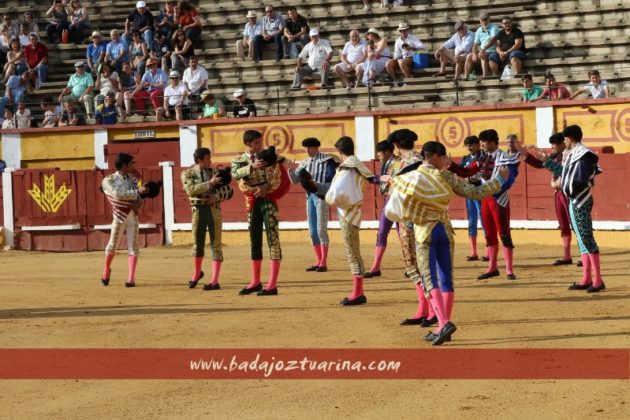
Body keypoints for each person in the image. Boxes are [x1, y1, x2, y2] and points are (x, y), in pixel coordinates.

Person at [385, 141, 509, 345]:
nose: (445, 161)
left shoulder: (410, 178)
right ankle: (443, 326)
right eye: (443, 157)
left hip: (424, 232)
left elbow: (394, 203)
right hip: (444, 230)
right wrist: (498, 180)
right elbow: (475, 192)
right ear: (435, 156)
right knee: (446, 279)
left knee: (429, 280)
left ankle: (444, 322)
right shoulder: (447, 177)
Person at [529, 125, 605, 292]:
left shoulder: (584, 154)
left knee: (586, 238)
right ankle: (586, 278)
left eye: (564, 139)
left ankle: (598, 280)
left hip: (580, 200)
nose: (563, 142)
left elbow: (580, 180)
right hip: (575, 200)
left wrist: (568, 189)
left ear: (569, 139)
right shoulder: (574, 154)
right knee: (582, 239)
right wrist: (545, 160)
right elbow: (565, 173)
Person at [448, 129, 520, 281]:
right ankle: (492, 267)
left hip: (499, 199)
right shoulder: (483, 158)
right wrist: (451, 166)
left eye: (484, 142)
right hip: (485, 198)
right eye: (481, 142)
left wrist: (496, 188)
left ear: (494, 142)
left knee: (504, 233)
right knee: (489, 233)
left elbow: (510, 179)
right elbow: (467, 172)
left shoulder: (505, 158)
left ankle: (509, 270)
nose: (482, 145)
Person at [231, 130, 287, 296]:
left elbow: (278, 174)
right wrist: (251, 167)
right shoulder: (239, 159)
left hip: (268, 200)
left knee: (273, 239)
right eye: (256, 143)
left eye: (260, 142)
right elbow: (235, 174)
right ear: (248, 144)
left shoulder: (269, 156)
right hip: (252, 202)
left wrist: (265, 188)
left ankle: (272, 284)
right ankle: (255, 281)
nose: (259, 146)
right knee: (254, 240)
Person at [325, 136, 374, 306]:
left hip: (347, 211)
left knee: (352, 251)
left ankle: (358, 292)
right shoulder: (357, 165)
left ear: (339, 151)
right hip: (354, 210)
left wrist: (326, 195)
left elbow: (335, 193)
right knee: (353, 250)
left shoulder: (347, 168)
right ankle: (358, 291)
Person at [181, 147, 234, 290]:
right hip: (198, 212)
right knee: (197, 245)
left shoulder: (215, 173)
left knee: (216, 245)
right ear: (200, 160)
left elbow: (230, 191)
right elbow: (190, 190)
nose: (210, 161)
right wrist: (210, 184)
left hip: (214, 211)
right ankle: (197, 273)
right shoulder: (188, 174)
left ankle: (214, 281)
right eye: (208, 159)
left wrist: (216, 196)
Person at [518, 133, 574, 266]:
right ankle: (567, 256)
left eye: (554, 145)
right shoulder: (555, 156)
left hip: (569, 193)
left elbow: (566, 172)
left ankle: (585, 256)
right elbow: (539, 164)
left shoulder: (570, 156)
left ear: (562, 144)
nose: (552, 148)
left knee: (575, 224)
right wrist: (526, 155)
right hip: (558, 193)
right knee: (564, 224)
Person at [287, 137, 339, 272]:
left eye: (310, 148)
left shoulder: (328, 161)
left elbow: (334, 182)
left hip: (321, 196)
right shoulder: (305, 162)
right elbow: (294, 181)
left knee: (321, 229)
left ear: (316, 147)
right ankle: (318, 260)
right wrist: (290, 170)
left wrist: (319, 186)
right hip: (310, 197)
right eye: (305, 148)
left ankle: (323, 262)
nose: (307, 151)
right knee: (312, 231)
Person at [100, 153, 147, 288]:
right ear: (124, 165)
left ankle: (131, 278)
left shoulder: (131, 179)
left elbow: (139, 199)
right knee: (113, 244)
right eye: (131, 163)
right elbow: (117, 194)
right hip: (120, 215)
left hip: (133, 215)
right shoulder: (108, 180)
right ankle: (106, 269)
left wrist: (139, 202)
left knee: (134, 246)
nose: (134, 166)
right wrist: (138, 193)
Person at [459, 135, 487, 261]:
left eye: (471, 145)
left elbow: (482, 174)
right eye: (467, 146)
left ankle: (488, 252)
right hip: (469, 192)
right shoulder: (465, 159)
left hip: (480, 191)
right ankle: (474, 252)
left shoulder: (484, 157)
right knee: (472, 220)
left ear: (477, 145)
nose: (469, 148)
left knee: (484, 219)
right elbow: (460, 171)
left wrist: (468, 178)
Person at [386, 22, 424, 87]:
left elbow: (422, 46)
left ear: (407, 30)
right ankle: (395, 80)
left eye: (404, 30)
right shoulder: (398, 41)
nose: (403, 32)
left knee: (401, 62)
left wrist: (411, 48)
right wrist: (396, 58)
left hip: (412, 57)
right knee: (388, 63)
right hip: (402, 58)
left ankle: (408, 80)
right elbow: (397, 53)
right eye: (401, 31)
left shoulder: (413, 37)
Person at [465, 11, 500, 80]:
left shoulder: (494, 27)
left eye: (485, 20)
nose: (484, 22)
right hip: (483, 51)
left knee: (482, 54)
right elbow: (475, 44)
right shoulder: (479, 30)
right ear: (480, 21)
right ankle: (466, 76)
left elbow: (493, 39)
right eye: (482, 21)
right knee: (469, 56)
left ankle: (485, 75)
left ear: (489, 19)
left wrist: (483, 49)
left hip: (492, 50)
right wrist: (474, 54)